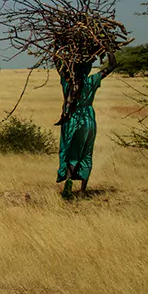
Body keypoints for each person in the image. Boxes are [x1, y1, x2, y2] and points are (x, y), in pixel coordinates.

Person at [56, 53, 116, 199]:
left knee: (71, 152)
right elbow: (112, 65)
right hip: (88, 120)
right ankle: (83, 191)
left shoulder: (67, 81)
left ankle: (68, 185)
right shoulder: (92, 80)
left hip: (72, 119)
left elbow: (57, 63)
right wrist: (108, 49)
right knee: (86, 153)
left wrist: (58, 49)